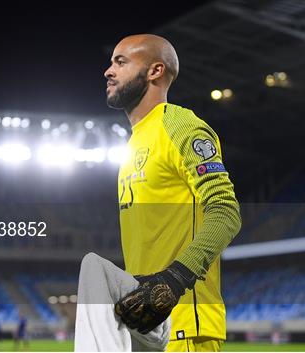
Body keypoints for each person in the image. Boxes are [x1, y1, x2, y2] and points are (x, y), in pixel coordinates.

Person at [74, 34, 241, 352]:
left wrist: (175, 279)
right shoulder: (134, 143)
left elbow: (226, 212)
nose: (108, 71)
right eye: (111, 62)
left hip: (183, 327)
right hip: (146, 325)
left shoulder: (181, 127)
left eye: (120, 62)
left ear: (155, 71)